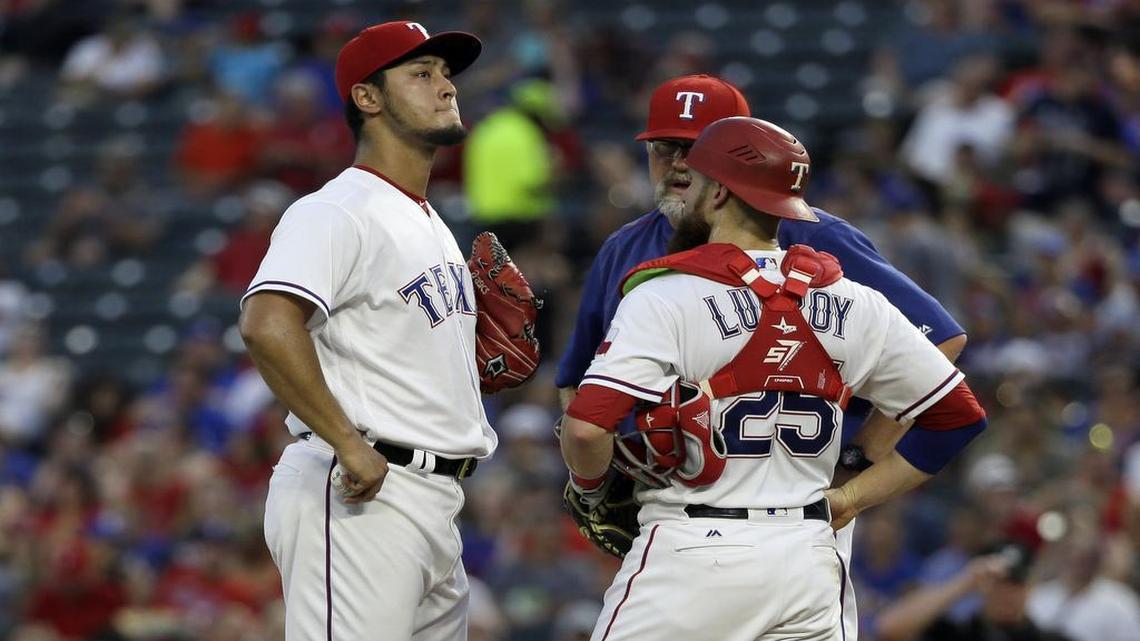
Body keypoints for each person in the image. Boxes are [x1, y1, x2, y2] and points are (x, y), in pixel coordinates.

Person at [555, 74, 968, 639]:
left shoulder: (819, 240)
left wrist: (858, 463)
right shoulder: (628, 244)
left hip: (708, 529)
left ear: (725, 177)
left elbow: (941, 341)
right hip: (777, 535)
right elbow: (575, 382)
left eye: (693, 151)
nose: (677, 165)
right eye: (663, 149)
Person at [239, 21, 494, 641]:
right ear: (367, 98)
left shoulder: (429, 221)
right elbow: (267, 323)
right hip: (361, 489)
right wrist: (349, 443)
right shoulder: (336, 209)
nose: (446, 87)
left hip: (431, 499)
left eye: (446, 74)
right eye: (422, 73)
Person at [876, 541, 1074, 641]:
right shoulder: (955, 634)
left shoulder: (1054, 639)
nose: (1008, 594)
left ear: (1031, 586)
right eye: (999, 583)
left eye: (1017, 584)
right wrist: (965, 581)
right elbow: (888, 627)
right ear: (982, 585)